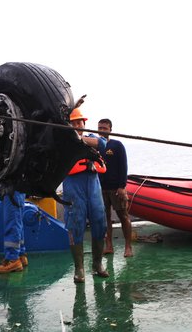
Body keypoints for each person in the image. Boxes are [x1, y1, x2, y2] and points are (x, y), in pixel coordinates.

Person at [63, 107, 109, 283]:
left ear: (84, 123)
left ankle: (97, 265)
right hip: (73, 187)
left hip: (93, 185)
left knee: (99, 221)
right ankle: (79, 269)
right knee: (75, 224)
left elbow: (103, 145)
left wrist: (80, 139)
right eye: (73, 123)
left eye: (79, 122)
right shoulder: (63, 142)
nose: (77, 125)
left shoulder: (93, 138)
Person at [96, 118, 133, 257]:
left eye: (104, 128)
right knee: (105, 218)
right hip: (100, 188)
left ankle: (128, 247)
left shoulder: (117, 145)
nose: (101, 131)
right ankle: (109, 245)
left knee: (123, 216)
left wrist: (122, 186)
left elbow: (123, 166)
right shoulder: (95, 146)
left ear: (110, 129)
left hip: (116, 189)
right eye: (99, 128)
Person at [0, 191, 29, 273]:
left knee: (12, 222)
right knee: (17, 221)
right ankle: (21, 255)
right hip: (18, 188)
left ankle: (13, 260)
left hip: (11, 188)